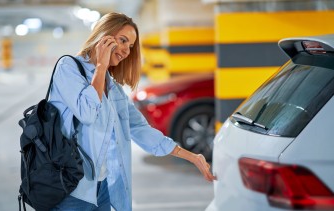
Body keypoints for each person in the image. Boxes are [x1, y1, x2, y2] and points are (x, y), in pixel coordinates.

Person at [49, 12, 216, 211]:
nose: (127, 51)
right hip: (71, 187)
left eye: (130, 46)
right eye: (122, 40)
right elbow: (87, 112)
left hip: (102, 188)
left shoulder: (113, 88)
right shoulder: (68, 68)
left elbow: (140, 128)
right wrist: (101, 66)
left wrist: (192, 156)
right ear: (104, 35)